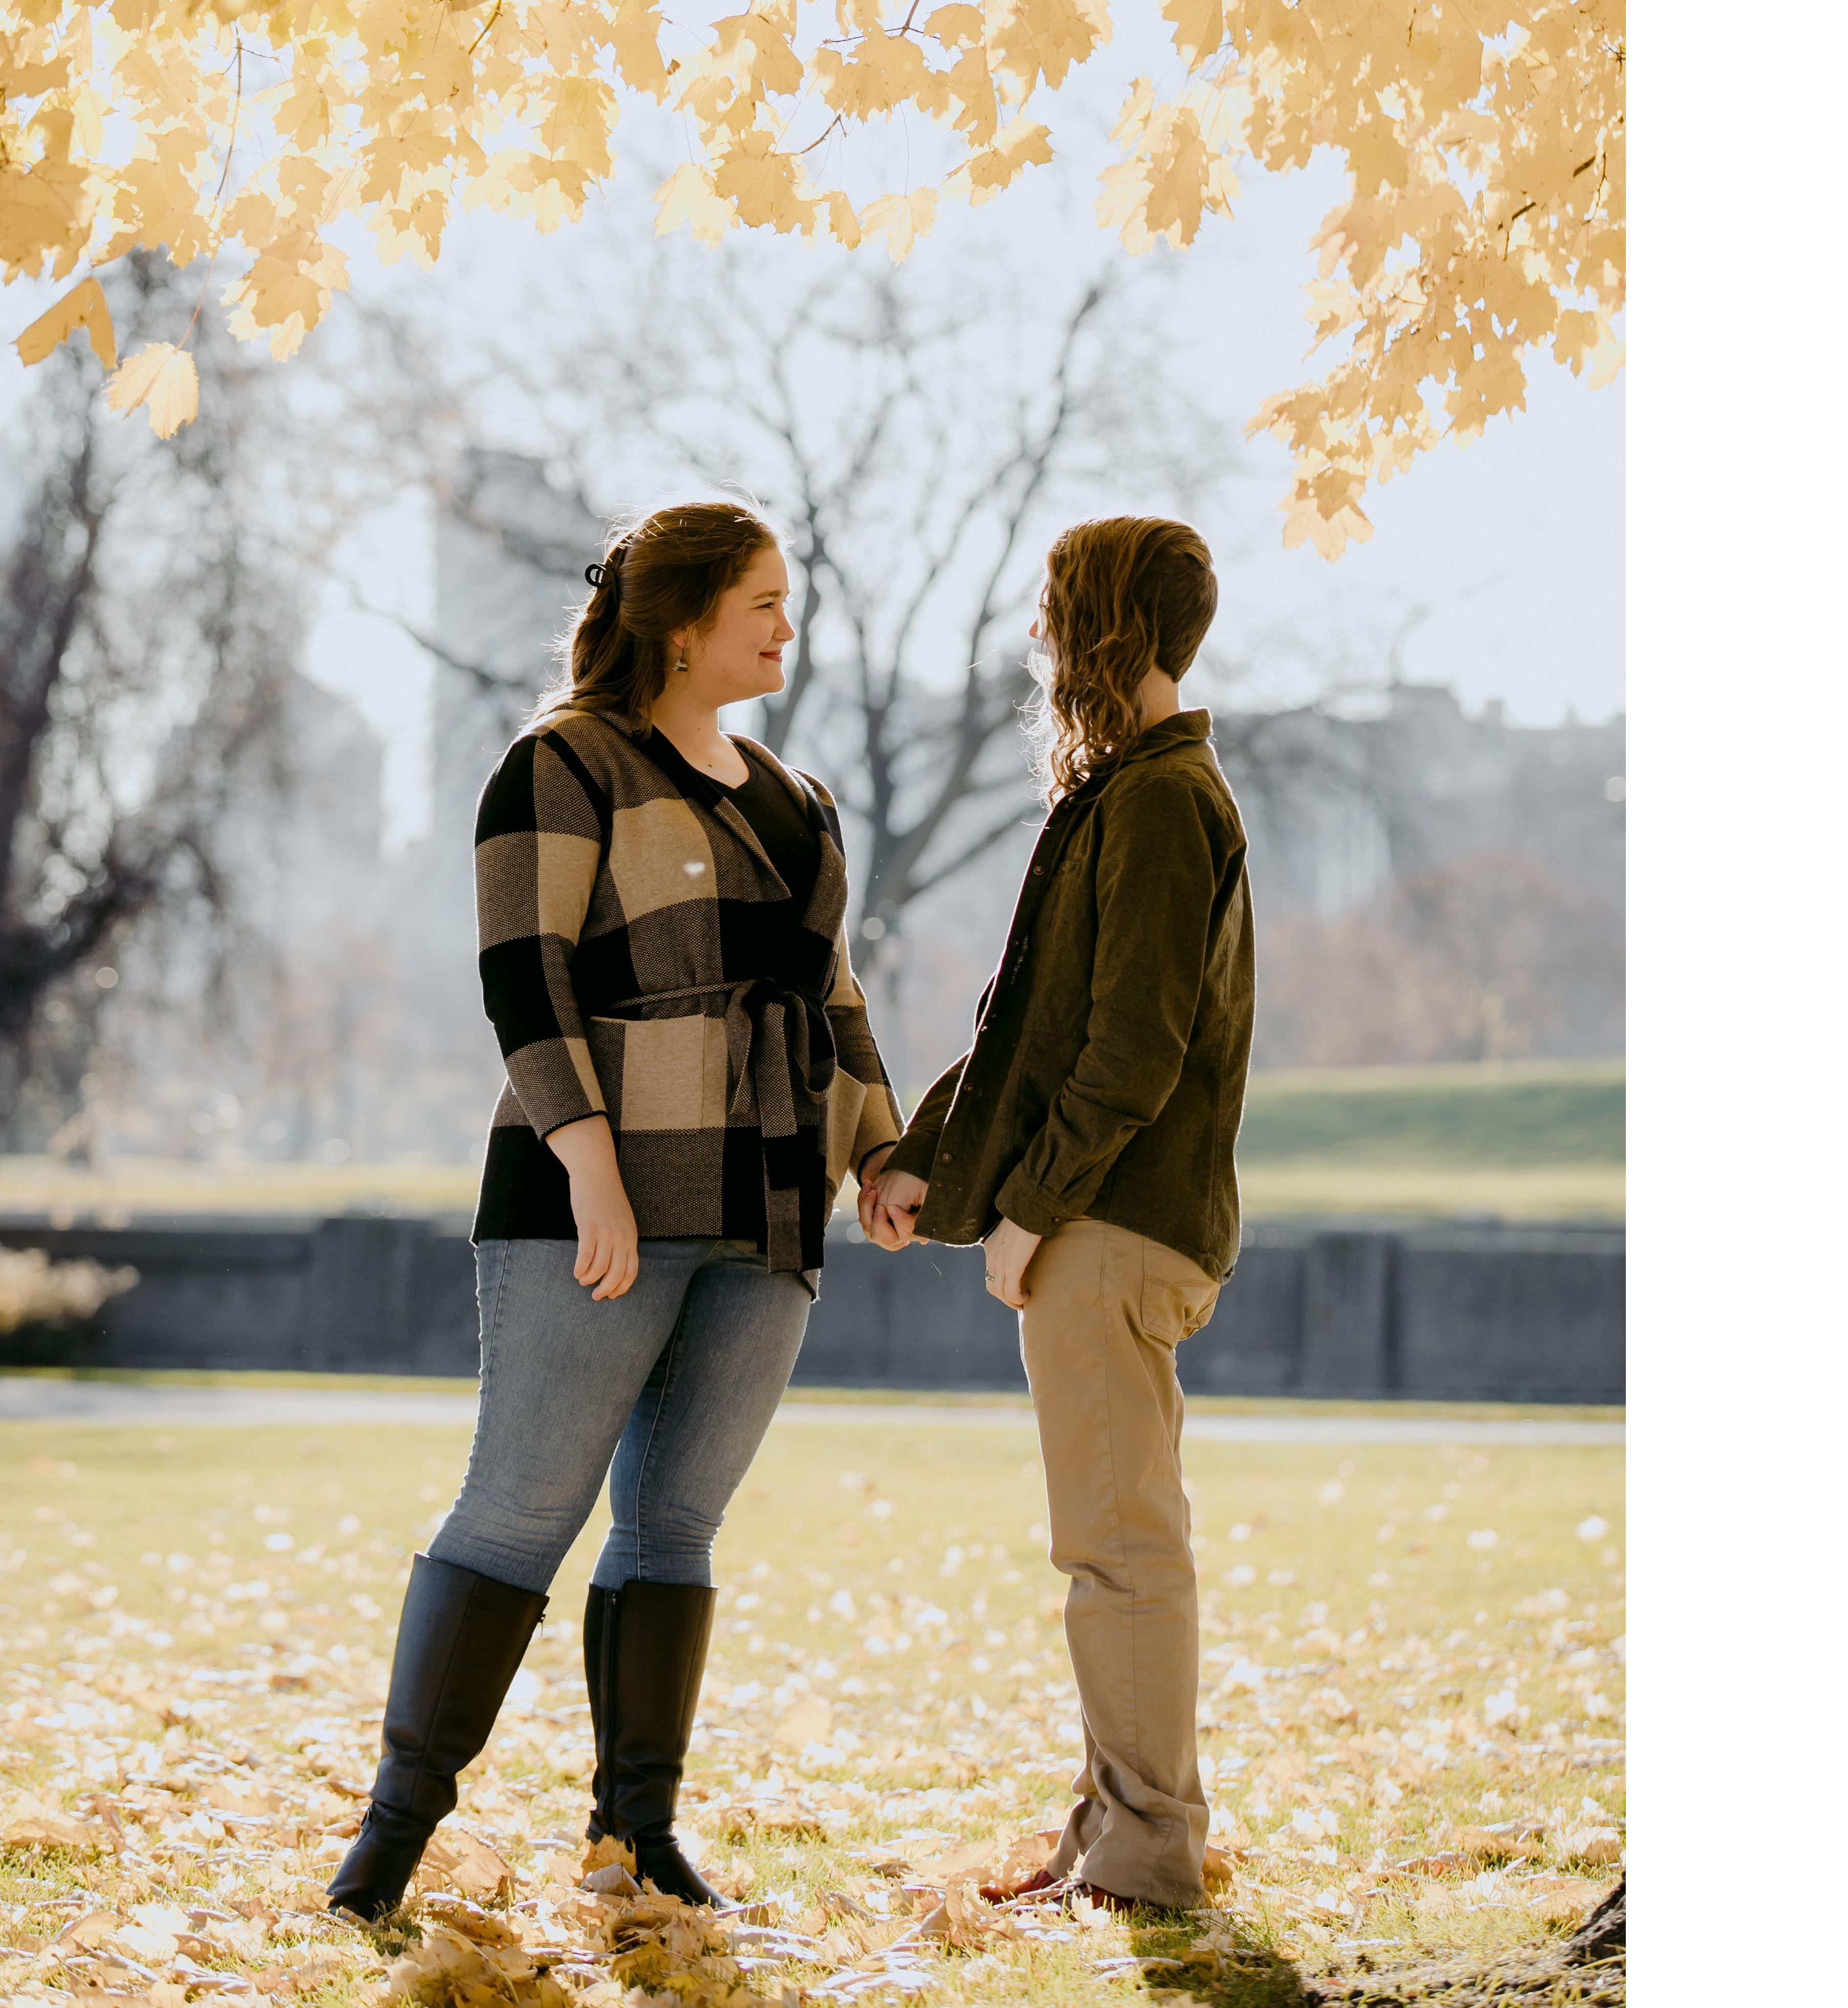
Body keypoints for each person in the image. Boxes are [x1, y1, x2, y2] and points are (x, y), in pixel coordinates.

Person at [328, 501, 904, 1924]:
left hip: (767, 1204)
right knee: (523, 1508)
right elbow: (525, 974)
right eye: (762, 602)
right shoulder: (559, 763)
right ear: (682, 616)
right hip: (593, 1196)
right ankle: (388, 1847)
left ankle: (634, 1841)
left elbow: (832, 998)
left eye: (788, 602)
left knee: (677, 1526)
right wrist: (589, 1160)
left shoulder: (804, 801)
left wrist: (883, 1155)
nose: (786, 628)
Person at [862, 516, 1252, 1915]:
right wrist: (924, 1155)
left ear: (1112, 626)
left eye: (1055, 609)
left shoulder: (1160, 800)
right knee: (1106, 1542)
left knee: (1121, 1547)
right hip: (1109, 1218)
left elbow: (1129, 1051)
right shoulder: (1126, 791)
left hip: (1115, 1226)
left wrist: (1027, 1214)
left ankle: (1147, 1848)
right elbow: (1033, 1026)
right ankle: (1113, 1826)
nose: (1039, 638)